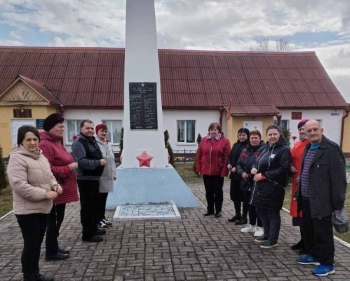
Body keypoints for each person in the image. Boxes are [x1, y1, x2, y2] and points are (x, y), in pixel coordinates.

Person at [7, 125, 62, 281]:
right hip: (27, 211)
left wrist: (55, 185)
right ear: (21, 141)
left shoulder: (40, 156)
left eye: (35, 139)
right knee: (31, 244)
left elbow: (50, 175)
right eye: (28, 139)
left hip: (43, 208)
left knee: (37, 243)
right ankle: (29, 276)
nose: (32, 143)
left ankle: (36, 273)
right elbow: (18, 185)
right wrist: (45, 194)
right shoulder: (17, 158)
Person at [296, 120, 347, 276]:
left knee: (323, 233)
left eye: (315, 129)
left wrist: (337, 204)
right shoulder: (308, 147)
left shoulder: (331, 149)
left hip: (322, 201)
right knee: (309, 230)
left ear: (321, 130)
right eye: (309, 130)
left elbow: (339, 179)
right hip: (306, 198)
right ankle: (314, 254)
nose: (312, 133)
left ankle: (327, 263)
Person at [39, 113, 79, 261]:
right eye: (60, 126)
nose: (63, 129)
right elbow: (47, 169)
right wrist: (68, 168)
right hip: (54, 190)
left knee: (58, 220)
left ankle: (54, 246)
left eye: (63, 126)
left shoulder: (55, 141)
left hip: (61, 189)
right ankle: (51, 251)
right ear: (50, 127)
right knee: (53, 221)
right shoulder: (45, 144)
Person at [250, 124, 290, 249]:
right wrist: (254, 168)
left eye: (275, 134)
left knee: (272, 213)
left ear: (279, 134)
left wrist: (264, 175)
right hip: (261, 187)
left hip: (274, 186)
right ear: (267, 136)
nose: (272, 137)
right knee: (261, 210)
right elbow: (257, 162)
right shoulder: (265, 148)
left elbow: (283, 168)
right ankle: (266, 234)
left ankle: (273, 239)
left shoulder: (283, 150)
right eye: (270, 134)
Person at [71, 120, 107, 242]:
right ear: (81, 129)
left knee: (94, 206)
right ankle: (87, 234)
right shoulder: (79, 142)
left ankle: (93, 228)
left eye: (92, 128)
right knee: (87, 207)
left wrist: (98, 175)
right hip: (85, 179)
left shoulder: (91, 140)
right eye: (87, 128)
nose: (90, 130)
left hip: (94, 179)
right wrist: (98, 163)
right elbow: (81, 162)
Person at [196, 122, 231, 218]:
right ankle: (210, 209)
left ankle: (218, 210)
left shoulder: (225, 141)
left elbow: (227, 157)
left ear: (219, 131)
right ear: (209, 131)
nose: (213, 131)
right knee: (209, 191)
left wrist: (225, 171)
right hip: (206, 171)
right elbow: (199, 155)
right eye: (211, 130)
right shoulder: (204, 140)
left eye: (215, 130)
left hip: (218, 171)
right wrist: (198, 168)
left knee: (218, 191)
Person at [236, 130, 264, 237]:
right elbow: (238, 164)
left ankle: (260, 226)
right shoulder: (245, 150)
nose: (254, 139)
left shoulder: (264, 150)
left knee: (258, 205)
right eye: (252, 137)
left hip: (257, 183)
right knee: (249, 204)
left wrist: (251, 175)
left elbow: (262, 165)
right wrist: (242, 173)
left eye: (256, 137)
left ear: (260, 138)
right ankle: (252, 224)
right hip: (245, 182)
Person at [289, 119, 309, 254]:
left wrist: (302, 177)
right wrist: (290, 166)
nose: (302, 131)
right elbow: (290, 158)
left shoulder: (311, 145)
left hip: (305, 184)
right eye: (300, 129)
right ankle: (303, 240)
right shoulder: (297, 144)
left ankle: (308, 243)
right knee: (299, 215)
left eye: (304, 128)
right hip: (296, 185)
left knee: (305, 215)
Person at [95, 124, 117, 228]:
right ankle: (98, 219)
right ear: (97, 132)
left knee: (104, 198)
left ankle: (102, 217)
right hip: (100, 176)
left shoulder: (108, 144)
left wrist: (114, 173)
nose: (104, 133)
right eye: (101, 131)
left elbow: (112, 160)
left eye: (105, 131)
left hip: (108, 176)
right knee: (98, 199)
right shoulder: (95, 144)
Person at [227, 128, 250, 224]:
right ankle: (237, 214)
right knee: (235, 196)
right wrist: (228, 164)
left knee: (244, 197)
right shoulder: (235, 145)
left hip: (243, 175)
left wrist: (237, 168)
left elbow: (246, 161)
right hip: (234, 175)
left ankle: (244, 217)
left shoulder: (248, 147)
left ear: (247, 136)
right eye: (240, 135)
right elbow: (230, 156)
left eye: (243, 135)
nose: (241, 137)